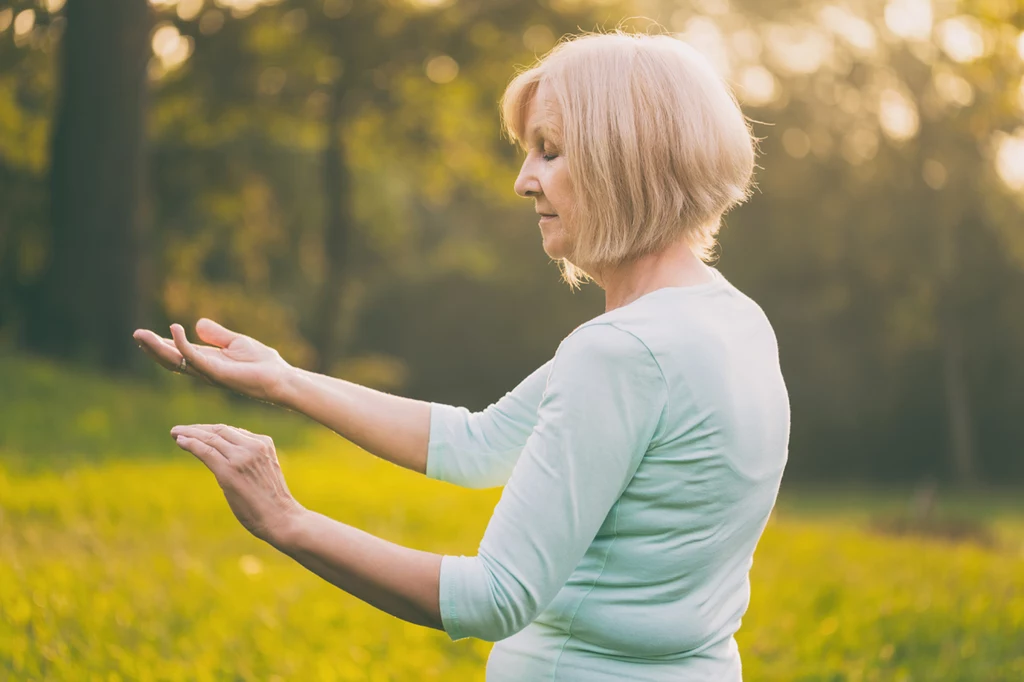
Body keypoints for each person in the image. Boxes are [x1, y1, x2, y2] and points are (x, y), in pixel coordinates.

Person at [134, 30, 790, 681]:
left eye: (550, 151)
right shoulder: (733, 320)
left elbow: (495, 597)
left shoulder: (620, 353)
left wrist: (286, 519)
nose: (523, 181)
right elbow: (479, 443)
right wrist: (283, 381)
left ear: (626, 160)